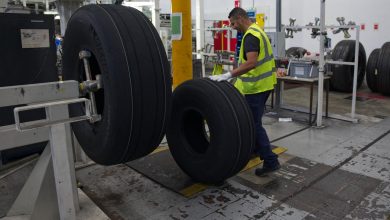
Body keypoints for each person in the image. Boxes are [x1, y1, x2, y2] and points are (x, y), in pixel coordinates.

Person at [209, 7, 280, 176]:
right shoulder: (258, 31)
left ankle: (271, 161)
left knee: (254, 125)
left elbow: (251, 63)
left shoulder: (250, 36)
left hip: (256, 88)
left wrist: (228, 74)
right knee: (253, 121)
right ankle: (256, 149)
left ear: (240, 18)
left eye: (233, 23)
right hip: (265, 85)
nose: (232, 27)